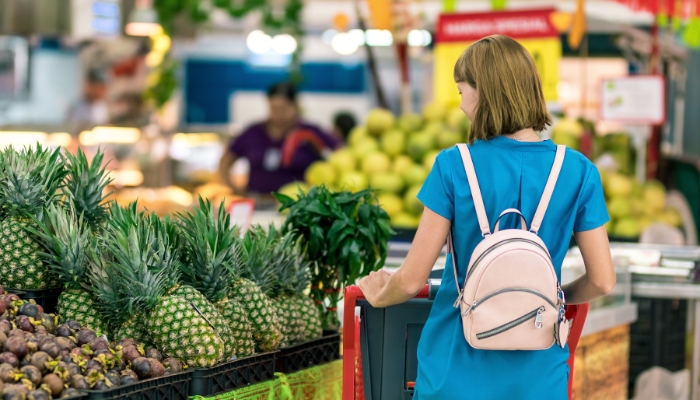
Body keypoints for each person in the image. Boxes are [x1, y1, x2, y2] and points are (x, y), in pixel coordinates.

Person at [358, 35, 616, 399]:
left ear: (484, 93)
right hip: (540, 373)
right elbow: (603, 281)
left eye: (462, 91)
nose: (461, 105)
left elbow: (411, 276)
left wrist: (377, 295)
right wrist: (553, 298)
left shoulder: (453, 165)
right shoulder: (577, 170)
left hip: (455, 367)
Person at [219, 82, 340, 195]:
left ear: (295, 106)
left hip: (300, 206)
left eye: (283, 109)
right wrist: (234, 189)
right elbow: (226, 160)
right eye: (273, 109)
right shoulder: (253, 132)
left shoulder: (310, 133)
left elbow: (339, 154)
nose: (278, 114)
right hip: (258, 203)